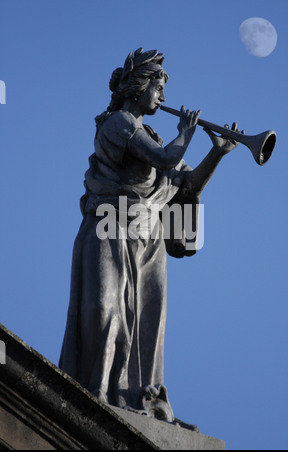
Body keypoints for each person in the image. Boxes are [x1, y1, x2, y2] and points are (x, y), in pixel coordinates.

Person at [59, 48, 242, 422]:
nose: (163, 96)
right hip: (111, 227)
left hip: (149, 238)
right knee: (104, 310)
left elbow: (185, 184)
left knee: (147, 325)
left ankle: (137, 396)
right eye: (158, 86)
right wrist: (185, 134)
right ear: (138, 86)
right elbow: (164, 160)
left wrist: (217, 154)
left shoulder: (154, 135)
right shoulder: (119, 124)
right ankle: (97, 391)